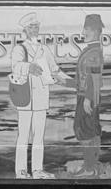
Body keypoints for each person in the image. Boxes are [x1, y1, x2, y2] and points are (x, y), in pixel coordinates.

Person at [11, 12, 69, 179]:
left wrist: (73, 84)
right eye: (31, 27)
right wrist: (29, 67)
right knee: (23, 136)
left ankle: (37, 170)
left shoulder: (44, 49)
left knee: (38, 137)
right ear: (25, 30)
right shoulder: (19, 48)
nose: (35, 29)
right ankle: (21, 171)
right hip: (25, 98)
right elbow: (15, 66)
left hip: (41, 98)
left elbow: (55, 70)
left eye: (36, 26)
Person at [73, 13, 105, 177]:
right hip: (88, 95)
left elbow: (94, 77)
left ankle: (90, 168)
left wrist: (88, 98)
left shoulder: (93, 52)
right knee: (90, 129)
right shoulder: (93, 50)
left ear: (95, 31)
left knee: (84, 130)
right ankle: (92, 166)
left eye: (87, 29)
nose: (83, 32)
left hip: (87, 97)